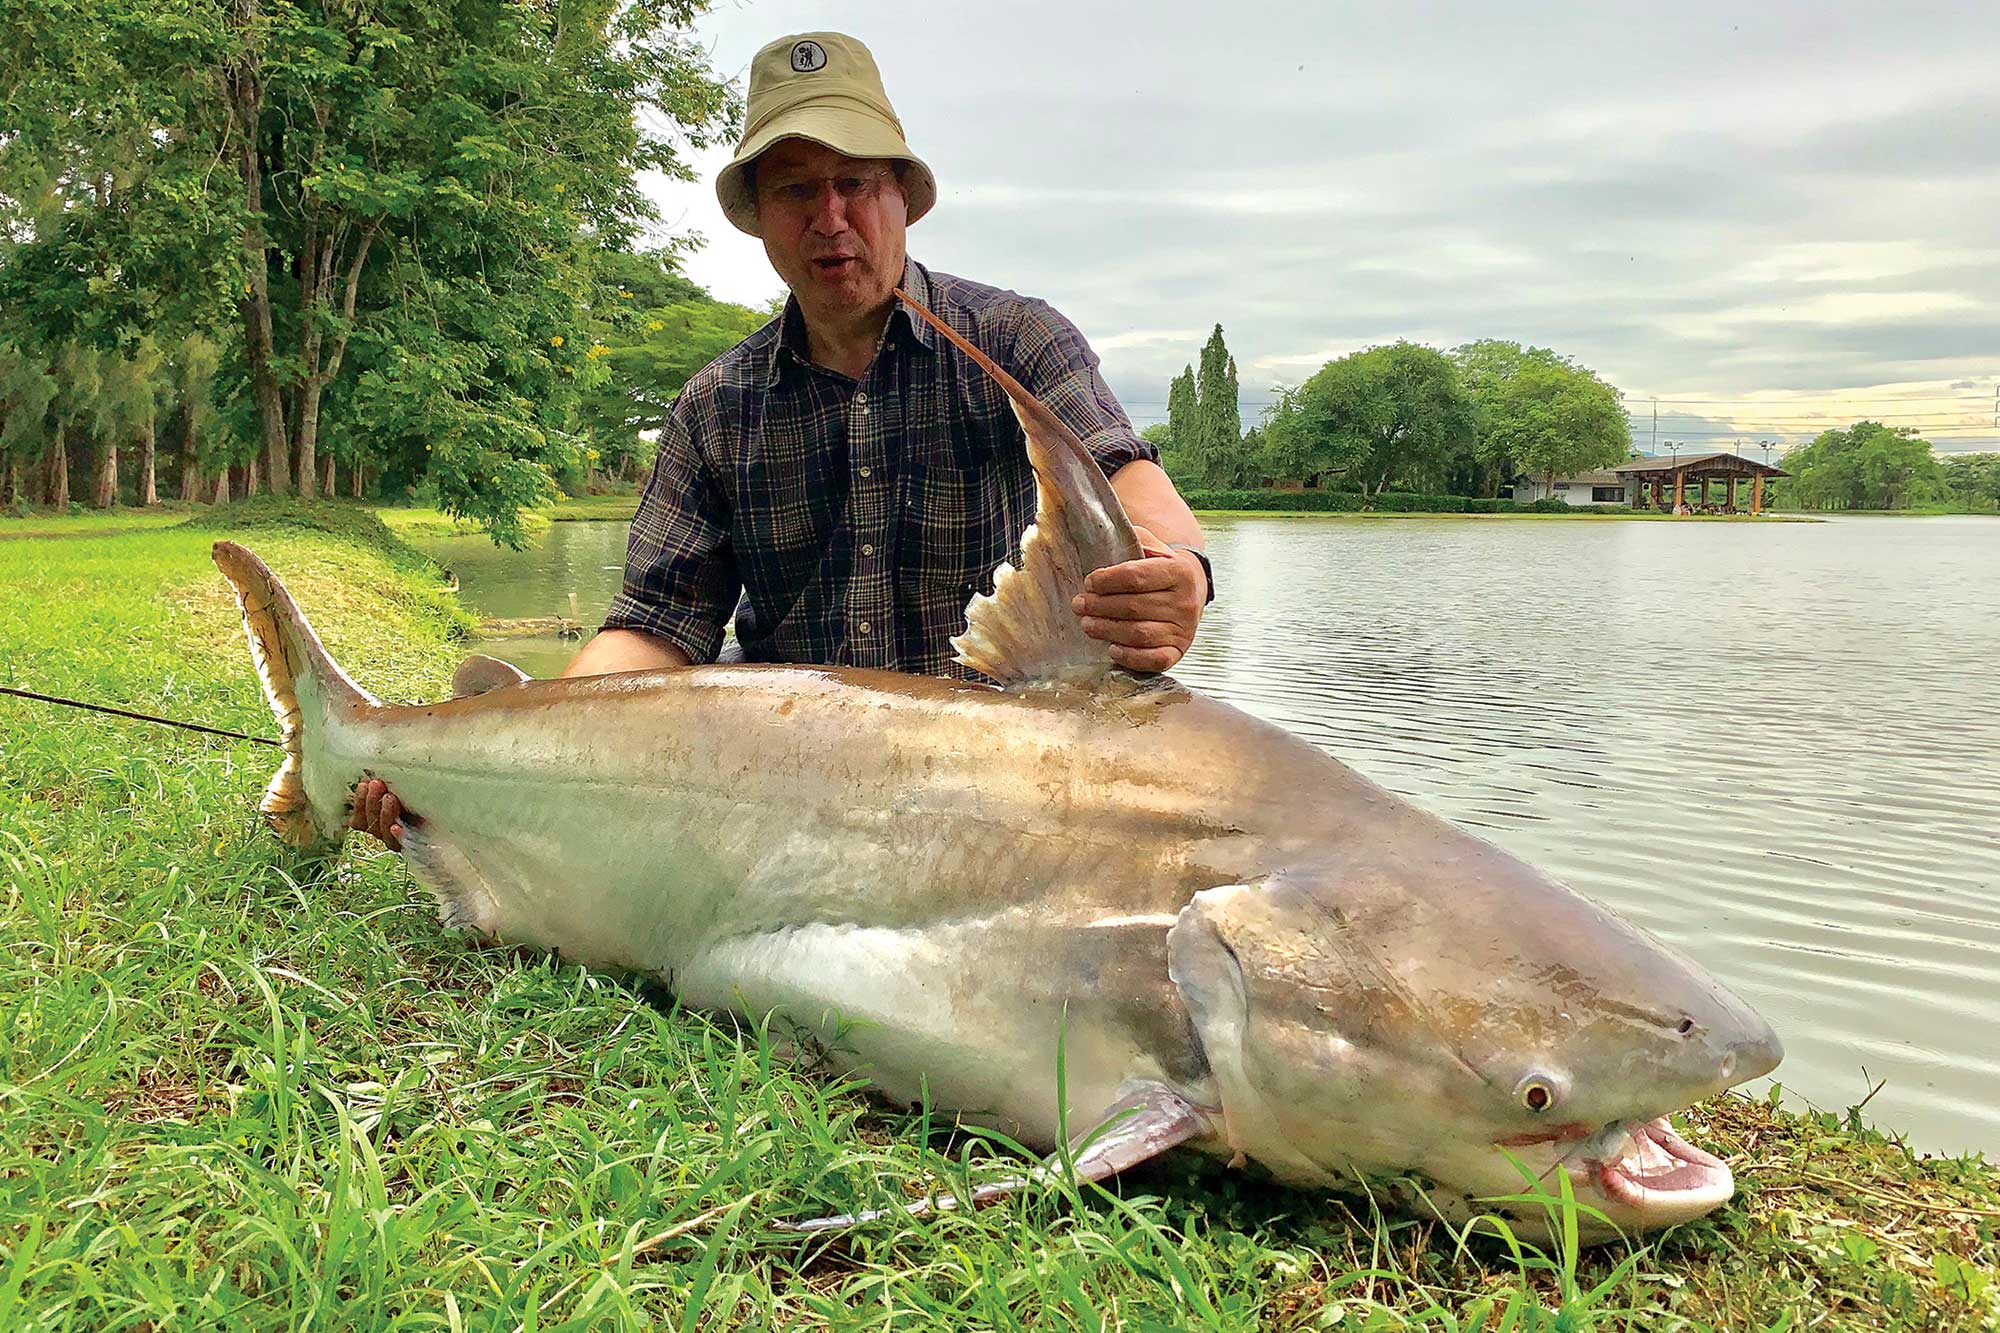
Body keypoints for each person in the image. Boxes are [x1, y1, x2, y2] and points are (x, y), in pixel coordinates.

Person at [352, 31, 1211, 848]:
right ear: (760, 217)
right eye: (797, 190)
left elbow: (1127, 477)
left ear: (901, 199)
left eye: (855, 183)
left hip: (1000, 782)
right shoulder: (714, 406)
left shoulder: (1016, 341)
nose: (830, 217)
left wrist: (1181, 571)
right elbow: (655, 625)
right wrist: (504, 739)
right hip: (781, 785)